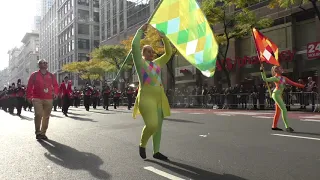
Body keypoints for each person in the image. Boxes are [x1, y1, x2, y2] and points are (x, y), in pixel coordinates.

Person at [131, 24, 172, 160]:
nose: (151, 53)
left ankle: (156, 151)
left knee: (158, 126)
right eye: (148, 51)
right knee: (152, 124)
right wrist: (140, 30)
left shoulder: (157, 63)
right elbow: (134, 46)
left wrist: (164, 38)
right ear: (142, 53)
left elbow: (169, 53)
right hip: (146, 98)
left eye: (152, 51)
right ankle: (142, 145)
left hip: (159, 98)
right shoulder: (140, 63)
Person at [260, 65, 304, 132]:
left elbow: (293, 83)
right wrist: (262, 71)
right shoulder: (275, 78)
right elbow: (265, 79)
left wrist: (302, 86)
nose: (282, 69)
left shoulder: (284, 78)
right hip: (276, 94)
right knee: (284, 109)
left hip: (279, 95)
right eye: (280, 68)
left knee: (278, 112)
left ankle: (274, 126)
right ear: (276, 70)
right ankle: (287, 127)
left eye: (281, 68)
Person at [26, 59, 59, 140]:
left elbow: (55, 85)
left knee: (46, 116)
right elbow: (29, 86)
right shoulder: (34, 75)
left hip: (48, 98)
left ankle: (43, 133)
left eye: (46, 63)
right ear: (39, 65)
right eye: (43, 63)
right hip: (37, 98)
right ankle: (38, 132)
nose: (45, 64)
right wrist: (29, 96)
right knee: (38, 114)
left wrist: (55, 93)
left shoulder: (51, 75)